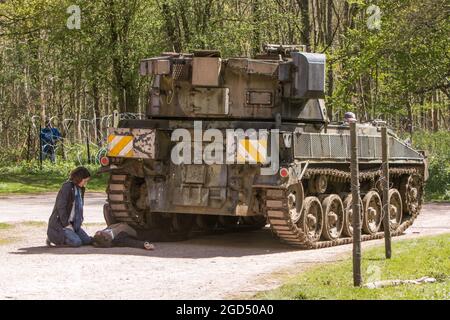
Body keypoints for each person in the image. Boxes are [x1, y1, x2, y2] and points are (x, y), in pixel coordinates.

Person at [46, 167, 93, 247]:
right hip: (62, 224)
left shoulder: (81, 189)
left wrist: (78, 221)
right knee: (76, 242)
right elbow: (61, 207)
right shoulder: (67, 187)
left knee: (87, 240)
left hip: (73, 224)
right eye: (84, 181)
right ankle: (53, 236)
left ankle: (70, 234)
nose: (85, 183)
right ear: (79, 178)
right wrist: (66, 224)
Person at [92, 222, 188, 250]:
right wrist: (144, 244)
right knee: (159, 233)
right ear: (106, 238)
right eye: (99, 233)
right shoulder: (119, 239)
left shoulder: (105, 232)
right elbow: (132, 243)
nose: (97, 232)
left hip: (134, 222)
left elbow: (93, 240)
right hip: (139, 232)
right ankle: (184, 235)